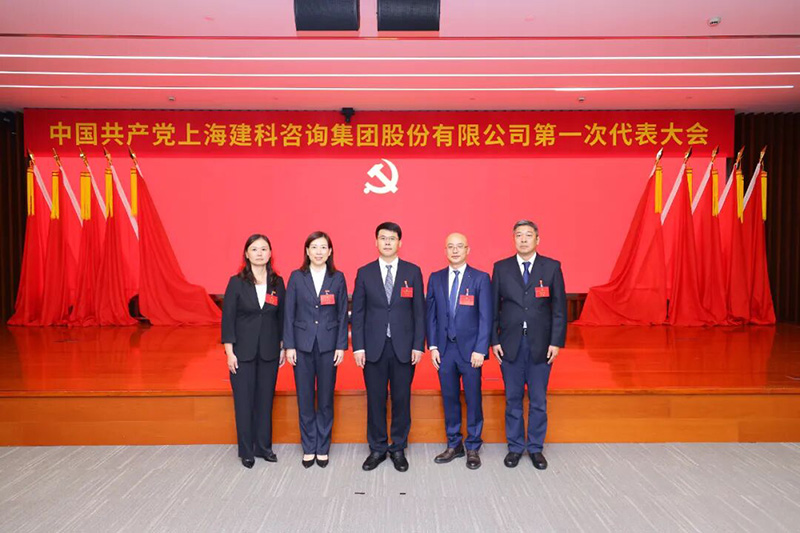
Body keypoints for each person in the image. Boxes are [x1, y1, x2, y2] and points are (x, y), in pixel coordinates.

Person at [491, 220, 566, 470]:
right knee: (512, 398)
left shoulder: (552, 267)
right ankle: (515, 447)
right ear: (513, 239)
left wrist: (556, 341)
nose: (523, 239)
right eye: (519, 235)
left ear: (537, 239)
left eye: (528, 235)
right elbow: (493, 308)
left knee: (538, 400)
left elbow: (559, 309)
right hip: (510, 344)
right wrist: (494, 340)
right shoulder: (501, 268)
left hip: (541, 345)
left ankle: (535, 448)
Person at [352, 222, 425, 472]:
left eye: (392, 238)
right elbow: (358, 313)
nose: (387, 242)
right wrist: (358, 347)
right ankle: (377, 447)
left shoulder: (412, 272)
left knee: (402, 399)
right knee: (376, 399)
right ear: (376, 242)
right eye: (382, 238)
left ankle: (398, 447)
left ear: (399, 243)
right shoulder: (364, 273)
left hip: (404, 346)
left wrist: (418, 345)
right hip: (373, 347)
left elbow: (420, 312)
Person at [426, 233, 492, 470]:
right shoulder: (435, 278)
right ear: (445, 250)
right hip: (444, 351)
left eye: (460, 246)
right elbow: (431, 315)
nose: (455, 251)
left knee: (473, 398)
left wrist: (480, 349)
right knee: (450, 397)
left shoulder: (480, 278)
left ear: (467, 250)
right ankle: (454, 444)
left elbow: (486, 317)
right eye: (450, 247)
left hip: (471, 351)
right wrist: (433, 346)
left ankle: (473, 445)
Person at [283, 231, 348, 469]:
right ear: (307, 251)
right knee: (305, 397)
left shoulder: (337, 277)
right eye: (314, 247)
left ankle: (323, 446)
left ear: (329, 252)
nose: (319, 252)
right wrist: (289, 345)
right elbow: (289, 313)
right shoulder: (296, 277)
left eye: (323, 247)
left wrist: (341, 345)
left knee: (326, 399)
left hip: (329, 346)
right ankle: (309, 446)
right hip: (302, 345)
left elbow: (342, 313)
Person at [221, 234, 286, 469]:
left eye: (264, 249)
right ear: (247, 254)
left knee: (265, 401)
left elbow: (282, 317)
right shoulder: (236, 282)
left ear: (270, 253)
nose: (259, 253)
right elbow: (228, 319)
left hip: (269, 351)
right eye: (255, 249)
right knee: (244, 402)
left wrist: (282, 346)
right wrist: (230, 352)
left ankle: (264, 447)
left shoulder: (277, 282)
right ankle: (246, 450)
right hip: (242, 352)